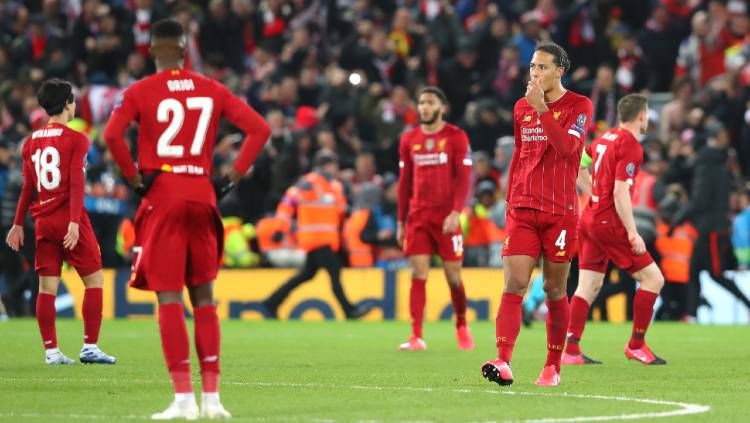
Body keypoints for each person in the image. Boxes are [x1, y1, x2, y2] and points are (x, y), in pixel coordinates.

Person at [103, 19, 271, 420]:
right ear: (183, 50)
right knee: (206, 300)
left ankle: (183, 400)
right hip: (203, 193)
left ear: (152, 50)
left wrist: (133, 178)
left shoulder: (141, 90)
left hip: (164, 194)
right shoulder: (212, 88)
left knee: (170, 299)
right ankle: (213, 399)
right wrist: (230, 178)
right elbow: (259, 129)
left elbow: (111, 135)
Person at [481, 42, 593, 387]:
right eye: (532, 67)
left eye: (542, 67)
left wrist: (542, 109)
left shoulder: (579, 106)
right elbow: (520, 152)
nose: (535, 73)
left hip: (560, 211)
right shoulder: (520, 108)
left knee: (553, 289)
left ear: (560, 70)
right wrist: (509, 194)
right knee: (514, 284)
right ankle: (503, 361)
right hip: (523, 208)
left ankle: (552, 366)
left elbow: (568, 149)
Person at [5, 78, 116, 365]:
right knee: (94, 281)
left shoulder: (30, 142)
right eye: (74, 100)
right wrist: (75, 223)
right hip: (69, 217)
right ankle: (90, 347)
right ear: (67, 103)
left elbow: (28, 187)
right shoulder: (77, 139)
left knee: (46, 288)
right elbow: (77, 183)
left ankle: (51, 351)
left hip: (42, 221)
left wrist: (17, 224)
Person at [563, 94, 668, 366]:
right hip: (608, 221)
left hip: (590, 218)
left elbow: (577, 165)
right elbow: (621, 191)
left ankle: (571, 350)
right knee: (653, 279)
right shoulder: (631, 146)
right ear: (642, 116)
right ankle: (636, 344)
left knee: (588, 285)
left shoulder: (605, 138)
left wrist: (593, 192)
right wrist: (632, 232)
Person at [396, 86, 474, 351]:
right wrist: (400, 221)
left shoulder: (456, 137)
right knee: (418, 273)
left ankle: (461, 324)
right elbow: (404, 182)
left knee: (453, 276)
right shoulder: (409, 139)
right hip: (418, 216)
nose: (424, 108)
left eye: (429, 103)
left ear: (442, 107)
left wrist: (456, 212)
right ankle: (416, 335)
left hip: (447, 218)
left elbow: (464, 179)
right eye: (421, 103)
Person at [261, 151, 373, 319]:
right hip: (314, 239)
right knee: (335, 271)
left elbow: (340, 209)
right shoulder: (308, 183)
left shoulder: (333, 185)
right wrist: (280, 229)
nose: (336, 169)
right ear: (326, 166)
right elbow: (288, 203)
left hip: (325, 239)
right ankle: (349, 310)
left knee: (306, 275)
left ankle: (271, 302)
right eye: (333, 165)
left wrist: (350, 210)